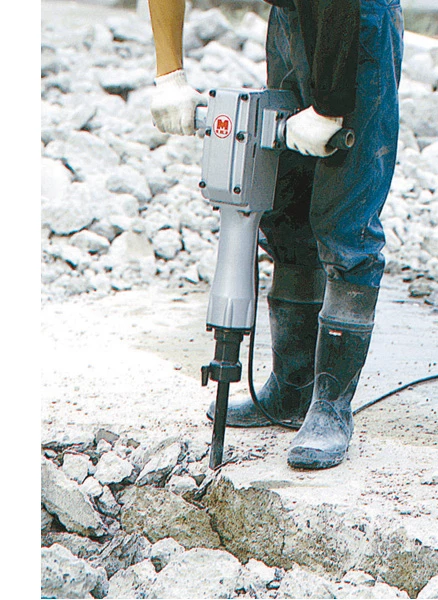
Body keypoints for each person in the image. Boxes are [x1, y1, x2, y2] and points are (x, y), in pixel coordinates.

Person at [148, 0, 404, 470]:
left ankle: (330, 408)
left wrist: (328, 109)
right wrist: (169, 76)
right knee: (285, 207)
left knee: (345, 221)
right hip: (291, 17)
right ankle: (291, 388)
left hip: (356, 17)